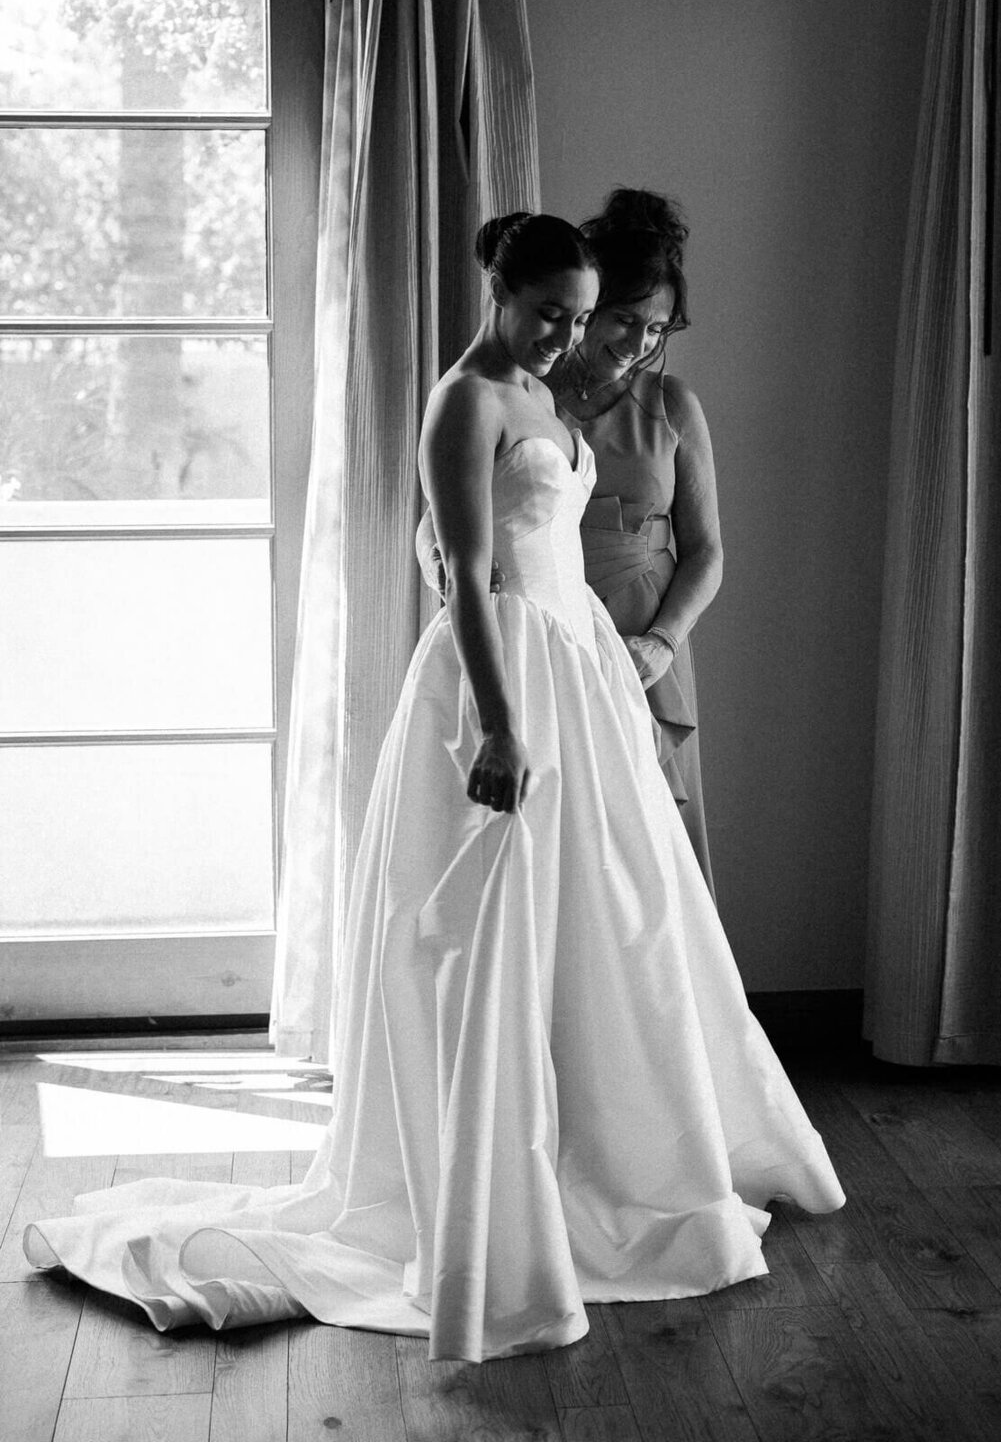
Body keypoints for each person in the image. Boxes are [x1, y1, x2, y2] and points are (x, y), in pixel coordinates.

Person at [24, 212, 844, 1364]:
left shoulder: (545, 393)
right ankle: (489, 1193)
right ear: (500, 292)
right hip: (502, 684)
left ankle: (621, 1153)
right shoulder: (468, 398)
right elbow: (464, 568)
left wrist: (608, 664)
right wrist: (503, 727)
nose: (568, 336)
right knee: (487, 941)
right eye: (551, 313)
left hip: (580, 668)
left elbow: (537, 533)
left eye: (583, 315)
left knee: (623, 928)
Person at [549, 187, 719, 892]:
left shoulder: (674, 404)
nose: (639, 343)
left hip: (643, 639)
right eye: (624, 320)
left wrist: (662, 643)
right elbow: (447, 515)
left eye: (657, 329)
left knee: (648, 855)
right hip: (549, 626)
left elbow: (706, 551)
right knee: (562, 835)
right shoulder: (527, 394)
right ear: (588, 307)